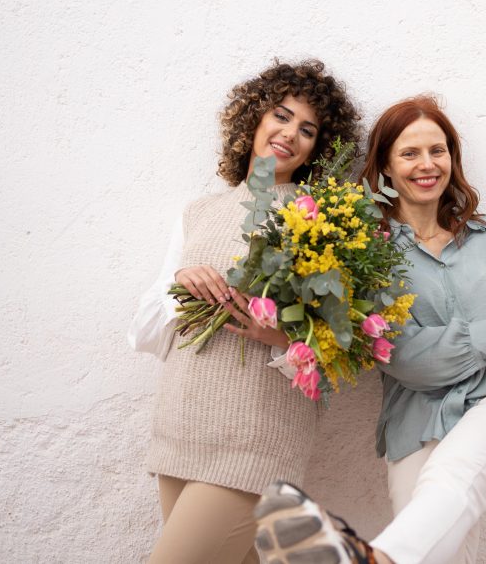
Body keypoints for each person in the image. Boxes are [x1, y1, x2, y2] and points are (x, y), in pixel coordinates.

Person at [252, 95, 486, 564]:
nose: (427, 164)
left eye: (438, 150)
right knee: (437, 547)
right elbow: (407, 360)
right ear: (387, 168)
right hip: (415, 427)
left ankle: (371, 557)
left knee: (448, 479)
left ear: (452, 157)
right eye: (410, 153)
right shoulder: (362, 254)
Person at [127, 60, 362, 564]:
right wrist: (178, 287)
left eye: (307, 130)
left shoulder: (322, 220)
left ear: (317, 148)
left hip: (255, 440)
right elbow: (145, 334)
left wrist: (276, 335)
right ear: (254, 119)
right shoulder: (200, 212)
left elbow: (341, 350)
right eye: (281, 116)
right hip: (181, 426)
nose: (289, 134)